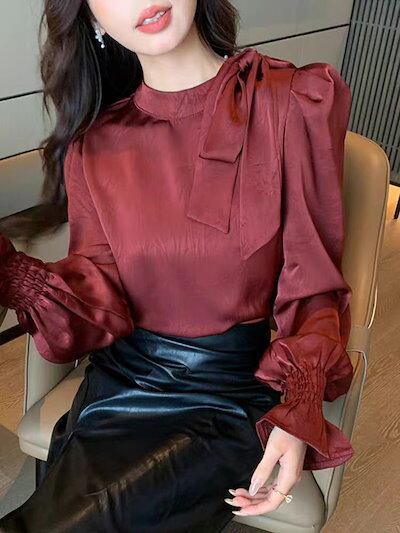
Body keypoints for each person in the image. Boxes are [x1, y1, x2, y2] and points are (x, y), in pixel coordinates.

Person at [0, 0, 355, 531]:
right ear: (91, 18)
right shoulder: (95, 144)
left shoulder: (289, 101)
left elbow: (315, 288)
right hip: (121, 386)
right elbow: (100, 300)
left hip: (226, 399)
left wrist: (299, 406)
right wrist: (14, 277)